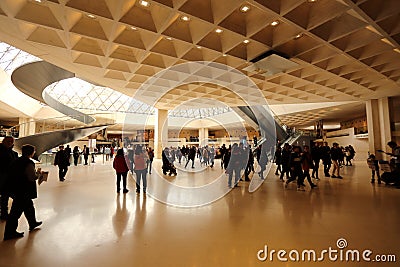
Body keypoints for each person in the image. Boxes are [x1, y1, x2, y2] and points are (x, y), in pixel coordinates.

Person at [3, 144, 42, 240]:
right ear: (31, 153)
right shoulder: (28, 163)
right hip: (24, 190)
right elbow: (32, 177)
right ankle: (10, 232)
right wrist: (39, 174)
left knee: (29, 206)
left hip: (17, 189)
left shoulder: (16, 161)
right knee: (15, 212)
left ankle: (32, 223)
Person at [0, 136, 18, 220]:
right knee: (5, 196)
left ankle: (4, 213)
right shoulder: (2, 151)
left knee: (5, 196)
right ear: (4, 141)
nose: (10, 143)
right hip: (3, 177)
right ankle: (4, 213)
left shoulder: (13, 152)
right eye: (8, 141)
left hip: (9, 179)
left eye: (11, 141)